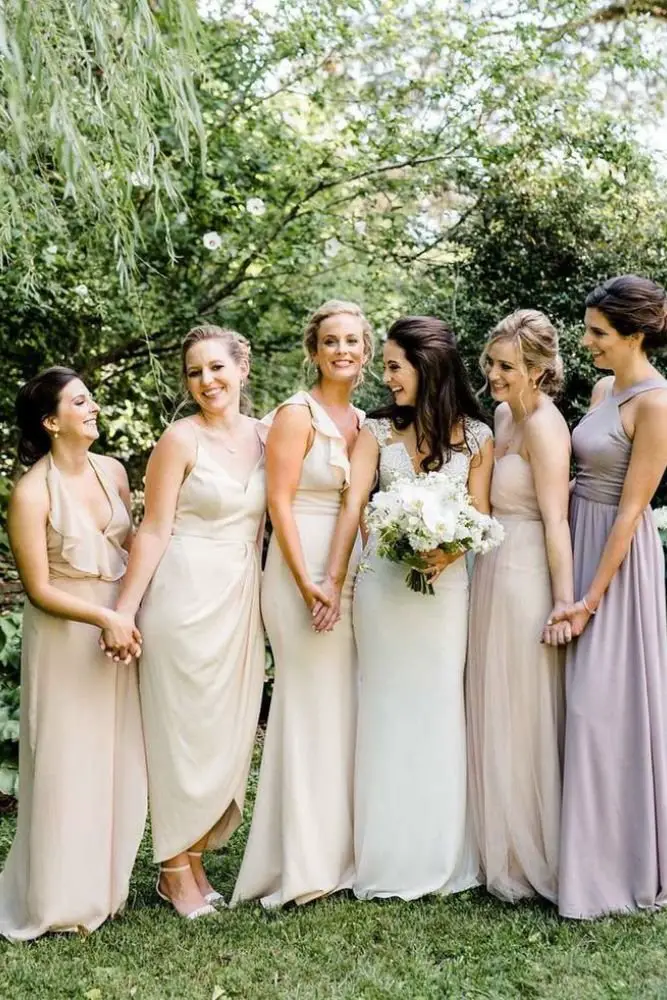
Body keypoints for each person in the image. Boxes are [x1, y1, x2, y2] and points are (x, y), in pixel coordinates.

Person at [316, 315, 493, 900]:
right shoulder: (375, 430)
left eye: (394, 365)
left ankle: (438, 853)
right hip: (384, 590)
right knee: (385, 709)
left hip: (445, 596)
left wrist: (448, 550)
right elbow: (354, 508)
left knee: (440, 709)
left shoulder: (478, 438)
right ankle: (383, 853)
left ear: (427, 366)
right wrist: (334, 578)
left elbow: (481, 515)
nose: (386, 377)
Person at [104, 326, 266, 920]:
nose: (207, 382)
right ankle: (174, 869)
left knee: (223, 731)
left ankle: (193, 857)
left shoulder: (268, 435)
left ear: (242, 368)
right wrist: (124, 608)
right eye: (195, 372)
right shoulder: (179, 439)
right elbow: (153, 529)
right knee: (181, 731)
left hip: (240, 595)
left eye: (217, 368)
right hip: (182, 592)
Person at [232, 300, 372, 908]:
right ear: (313, 352)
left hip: (345, 570)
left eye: (353, 341)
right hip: (295, 572)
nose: (343, 350)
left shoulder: (365, 422)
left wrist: (344, 576)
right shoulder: (295, 415)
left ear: (365, 353)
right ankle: (301, 862)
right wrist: (307, 579)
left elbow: (357, 506)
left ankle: (336, 850)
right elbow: (279, 503)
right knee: (306, 702)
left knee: (338, 707)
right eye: (331, 341)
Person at [0, 367, 146, 940]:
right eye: (80, 401)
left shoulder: (112, 471)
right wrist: (104, 617)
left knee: (114, 757)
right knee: (66, 761)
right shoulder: (31, 492)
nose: (93, 408)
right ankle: (57, 898)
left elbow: (134, 546)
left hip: (118, 628)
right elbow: (39, 589)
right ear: (51, 421)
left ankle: (105, 887)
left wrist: (128, 612)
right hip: (67, 634)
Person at [551, 275, 667, 919]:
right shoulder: (602, 388)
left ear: (634, 334)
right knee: (574, 704)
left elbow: (632, 510)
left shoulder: (657, 403)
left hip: (618, 564)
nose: (587, 341)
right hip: (578, 536)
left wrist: (591, 597)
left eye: (598, 332)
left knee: (603, 711)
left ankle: (615, 870)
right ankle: (576, 855)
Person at [466, 310, 571, 905]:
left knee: (524, 705)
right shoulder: (504, 416)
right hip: (492, 567)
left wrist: (562, 603)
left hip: (527, 570)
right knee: (493, 699)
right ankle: (496, 846)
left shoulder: (545, 429)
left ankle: (533, 850)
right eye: (492, 363)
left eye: (506, 367)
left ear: (537, 369)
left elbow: (557, 521)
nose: (494, 375)